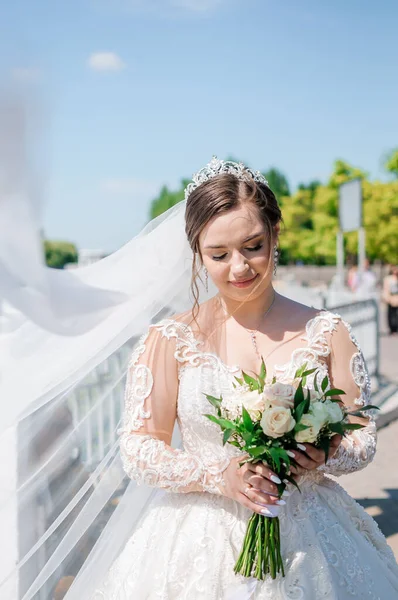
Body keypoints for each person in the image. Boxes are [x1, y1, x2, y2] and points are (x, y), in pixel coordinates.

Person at [1, 157, 398, 600]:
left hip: (312, 535)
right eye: (219, 254)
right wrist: (218, 474)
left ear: (276, 234)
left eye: (253, 246)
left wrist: (326, 451)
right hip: (195, 539)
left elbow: (362, 436)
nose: (239, 267)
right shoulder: (169, 338)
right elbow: (138, 447)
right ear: (197, 254)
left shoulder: (328, 332)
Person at [383, 265, 398, 335]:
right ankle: (392, 329)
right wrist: (387, 298)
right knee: (391, 314)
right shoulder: (388, 278)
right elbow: (386, 289)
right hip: (391, 298)